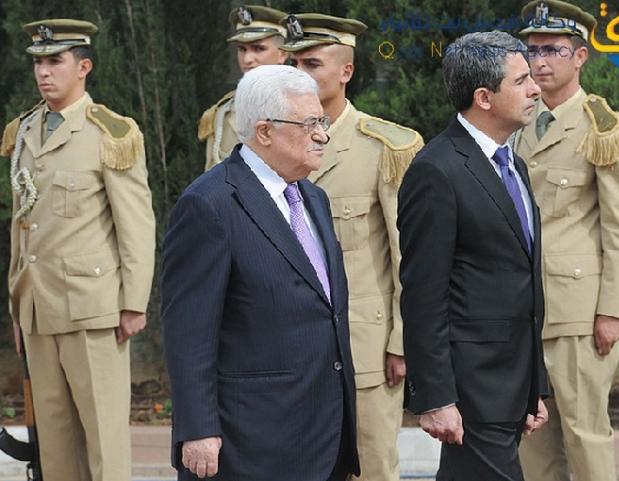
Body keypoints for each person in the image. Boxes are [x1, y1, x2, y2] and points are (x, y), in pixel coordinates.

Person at [161, 64, 360, 481]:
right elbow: (189, 333)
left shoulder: (313, 198)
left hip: (323, 433)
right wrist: (197, 429)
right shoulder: (210, 204)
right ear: (265, 132)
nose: (322, 135)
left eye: (322, 122)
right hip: (251, 442)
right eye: (309, 124)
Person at [0, 18, 156, 481]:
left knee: (104, 436)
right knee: (54, 442)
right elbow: (22, 225)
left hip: (92, 308)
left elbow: (135, 223)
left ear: (83, 67)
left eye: (55, 61)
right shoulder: (24, 131)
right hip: (36, 306)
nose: (44, 71)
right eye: (38, 62)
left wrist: (134, 303)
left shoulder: (110, 133)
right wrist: (17, 306)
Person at [397, 31, 549, 481]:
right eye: (521, 80)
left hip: (509, 384)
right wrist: (435, 397)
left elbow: (518, 280)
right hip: (470, 389)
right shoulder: (436, 170)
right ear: (484, 97)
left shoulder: (513, 164)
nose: (535, 88)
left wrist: (533, 386)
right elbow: (423, 294)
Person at [280, 13, 424, 481]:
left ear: (346, 71)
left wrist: (403, 341)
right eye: (292, 63)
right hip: (290, 349)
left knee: (371, 468)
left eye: (312, 64)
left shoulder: (383, 147)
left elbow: (409, 256)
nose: (299, 74)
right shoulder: (273, 145)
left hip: (365, 348)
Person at [515, 2, 619, 481]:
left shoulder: (603, 129)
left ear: (581, 56)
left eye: (553, 50)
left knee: (584, 435)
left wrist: (613, 311)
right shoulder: (515, 124)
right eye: (532, 51)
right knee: (532, 439)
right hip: (520, 308)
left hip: (578, 311)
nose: (540, 61)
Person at [197, 4, 288, 171]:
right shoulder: (223, 114)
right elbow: (211, 177)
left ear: (282, 54)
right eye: (242, 49)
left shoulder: (305, 110)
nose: (247, 59)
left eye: (258, 49)